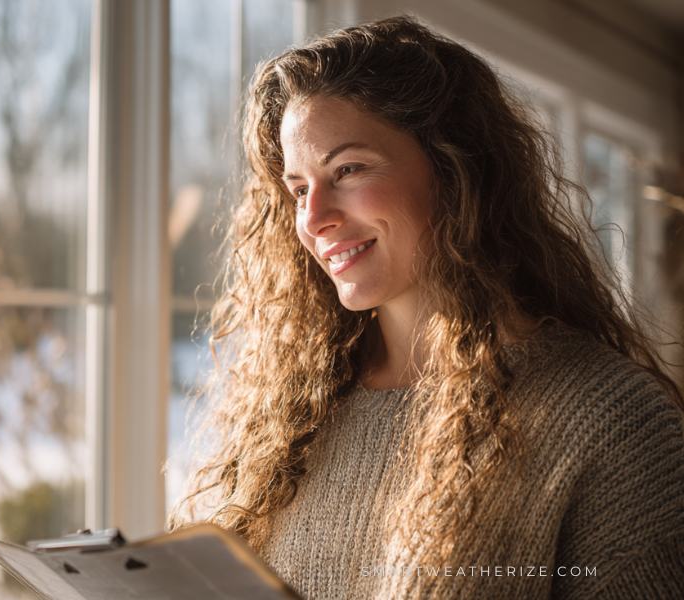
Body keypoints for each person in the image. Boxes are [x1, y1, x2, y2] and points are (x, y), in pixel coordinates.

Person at [167, 15, 684, 599]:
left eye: (349, 169)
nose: (313, 221)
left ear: (456, 170)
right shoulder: (293, 420)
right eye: (299, 189)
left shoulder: (610, 419)